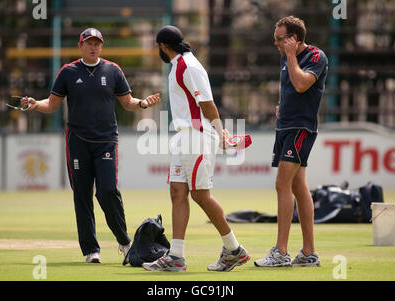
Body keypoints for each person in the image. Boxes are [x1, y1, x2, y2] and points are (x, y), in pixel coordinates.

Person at [21, 28, 161, 264]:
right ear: (81, 46)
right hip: (77, 141)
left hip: (106, 140)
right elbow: (52, 104)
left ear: (102, 47)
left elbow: (128, 102)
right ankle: (91, 250)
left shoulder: (113, 70)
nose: (93, 47)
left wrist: (143, 104)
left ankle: (125, 242)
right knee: (82, 196)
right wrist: (36, 104)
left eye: (97, 43)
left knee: (107, 191)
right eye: (89, 43)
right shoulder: (68, 72)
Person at [142, 25, 250, 272]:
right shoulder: (179, 64)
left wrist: (220, 132)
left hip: (198, 136)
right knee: (177, 191)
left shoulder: (186, 66)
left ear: (162, 46)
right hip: (185, 136)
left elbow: (207, 103)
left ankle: (234, 249)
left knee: (201, 194)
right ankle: (176, 257)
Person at [254, 16, 328, 267]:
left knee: (281, 183)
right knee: (298, 187)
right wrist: (281, 107)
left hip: (301, 129)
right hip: (285, 126)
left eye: (279, 39)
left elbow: (300, 84)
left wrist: (291, 56)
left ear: (293, 39)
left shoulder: (316, 56)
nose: (276, 44)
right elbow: (290, 90)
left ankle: (281, 252)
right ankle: (309, 253)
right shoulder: (287, 58)